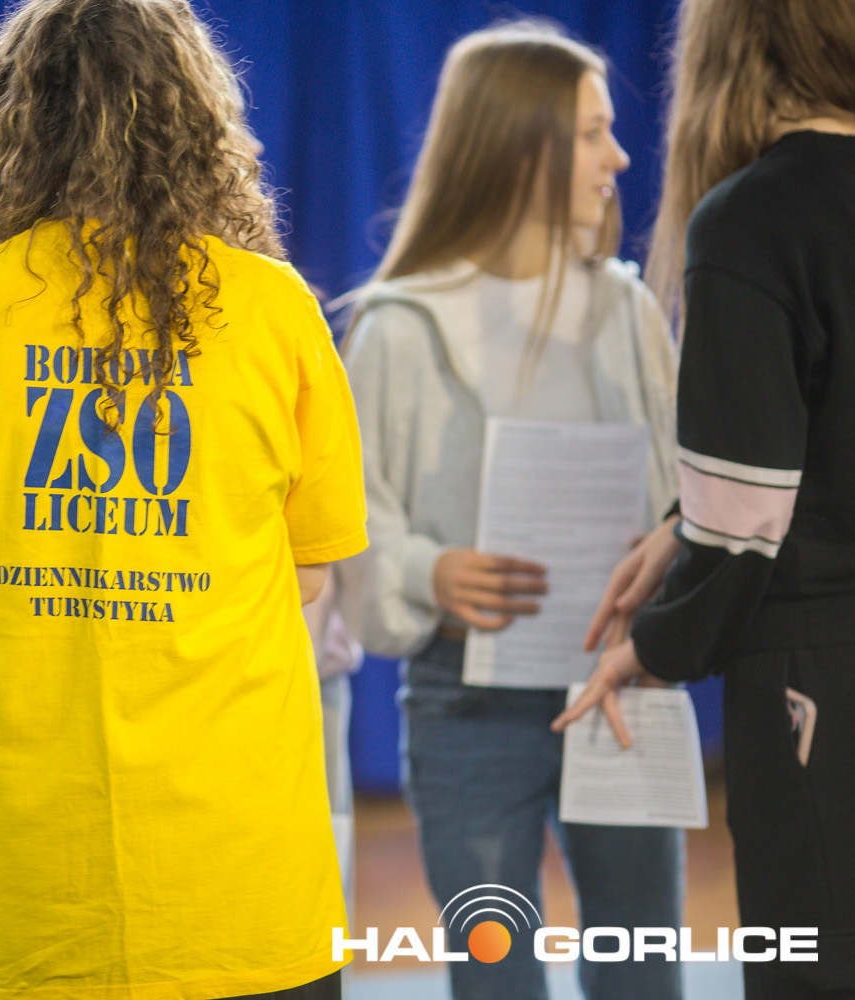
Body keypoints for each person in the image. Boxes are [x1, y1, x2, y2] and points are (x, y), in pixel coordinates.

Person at [0, 1, 369, 997]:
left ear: (15, 125)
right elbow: (309, 573)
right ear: (196, 121)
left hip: (36, 877)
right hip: (240, 871)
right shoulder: (275, 309)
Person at [334, 21, 683, 1000]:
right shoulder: (398, 325)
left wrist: (664, 556)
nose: (621, 157)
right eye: (593, 133)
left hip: (619, 681)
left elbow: (681, 497)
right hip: (468, 702)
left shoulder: (627, 311)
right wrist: (428, 571)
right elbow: (354, 517)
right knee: (496, 977)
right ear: (518, 145)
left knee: (643, 974)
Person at [553, 2, 855, 996]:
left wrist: (654, 643)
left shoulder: (756, 217)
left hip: (818, 674)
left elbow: (744, 525)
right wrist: (684, 523)